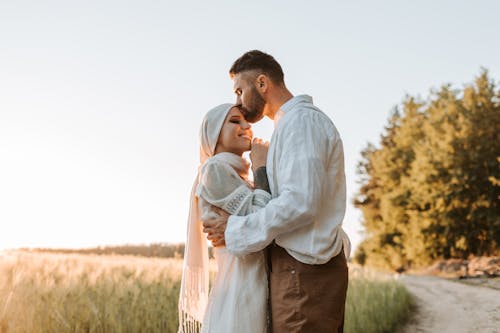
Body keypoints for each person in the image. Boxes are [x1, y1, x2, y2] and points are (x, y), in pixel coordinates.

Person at [202, 50, 351, 332]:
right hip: (297, 270)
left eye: (239, 91)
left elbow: (300, 202)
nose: (239, 103)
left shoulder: (300, 123)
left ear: (261, 83)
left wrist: (234, 229)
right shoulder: (291, 125)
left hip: (304, 271)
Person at [178, 103, 271, 333]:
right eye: (234, 121)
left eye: (245, 122)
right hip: (239, 294)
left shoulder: (238, 177)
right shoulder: (214, 170)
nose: (246, 126)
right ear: (213, 134)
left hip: (252, 288)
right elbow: (260, 218)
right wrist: (261, 167)